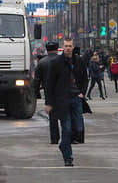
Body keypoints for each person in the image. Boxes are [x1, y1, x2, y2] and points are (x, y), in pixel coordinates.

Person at [44, 38, 86, 167]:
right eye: (66, 46)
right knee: (66, 129)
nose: (68, 48)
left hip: (76, 98)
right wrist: (49, 102)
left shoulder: (78, 60)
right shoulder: (56, 62)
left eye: (70, 46)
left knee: (78, 128)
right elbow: (49, 83)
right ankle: (68, 156)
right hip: (62, 100)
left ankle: (63, 144)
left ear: (73, 47)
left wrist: (82, 92)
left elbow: (85, 78)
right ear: (63, 47)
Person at [33, 41, 60, 144]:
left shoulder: (42, 62)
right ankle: (67, 137)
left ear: (47, 50)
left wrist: (36, 93)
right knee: (66, 117)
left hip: (49, 93)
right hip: (63, 92)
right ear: (57, 49)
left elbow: (37, 80)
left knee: (53, 118)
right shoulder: (63, 60)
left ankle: (54, 139)